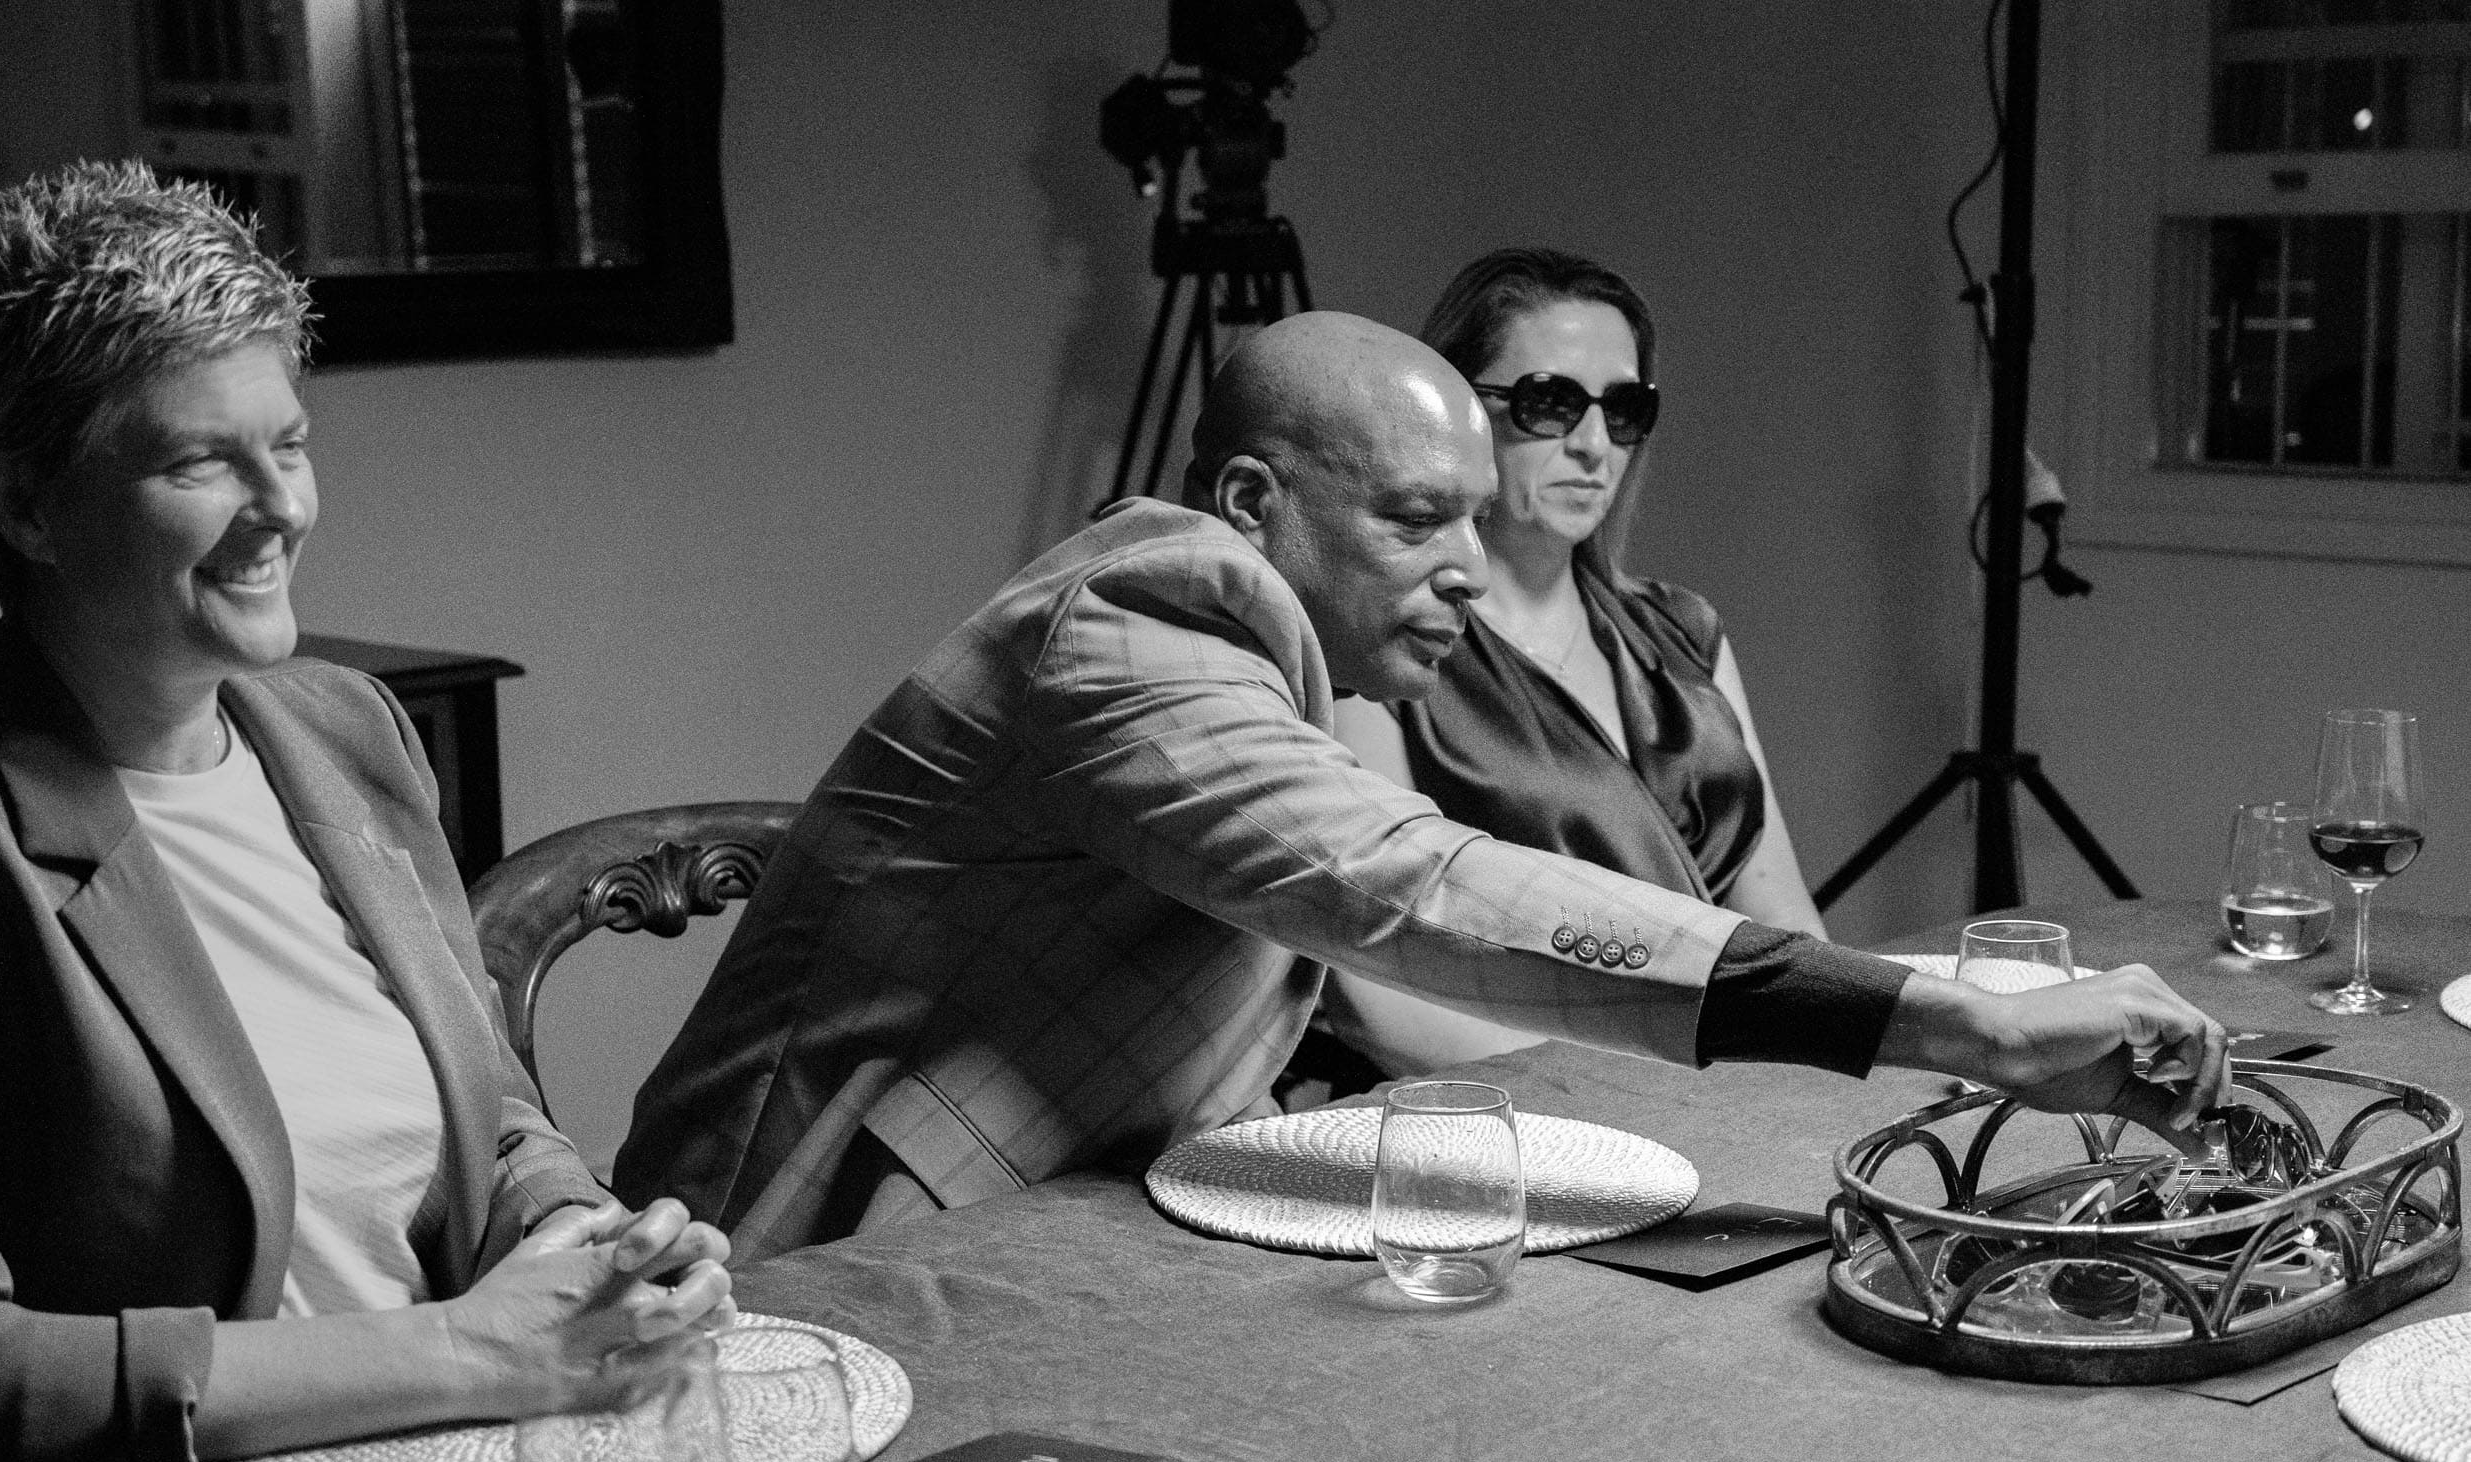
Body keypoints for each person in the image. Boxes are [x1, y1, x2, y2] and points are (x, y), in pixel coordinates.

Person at [615, 307, 2226, 1255]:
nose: (1468, 564)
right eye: (1411, 518)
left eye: (1472, 512)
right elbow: (1413, 887)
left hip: (1088, 1203)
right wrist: (1971, 1025)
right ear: (1252, 503)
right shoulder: (1138, 621)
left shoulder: (1286, 649)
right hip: (814, 1257)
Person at [0, 162, 729, 1462]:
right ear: (27, 505)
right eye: (201, 459)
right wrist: (469, 1348)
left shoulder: (348, 730)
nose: (283, 507)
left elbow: (494, 1119)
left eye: (291, 443)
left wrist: (590, 1247)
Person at [1321, 247, 1819, 1080]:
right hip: (1504, 1108)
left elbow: (1785, 927)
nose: (1594, 445)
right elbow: (1376, 992)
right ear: (1456, 411)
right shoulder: (1380, 643)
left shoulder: (1685, 632)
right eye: (1550, 402)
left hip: (1717, 1088)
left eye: (1623, 408)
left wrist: (1832, 1064)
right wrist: (1651, 1090)